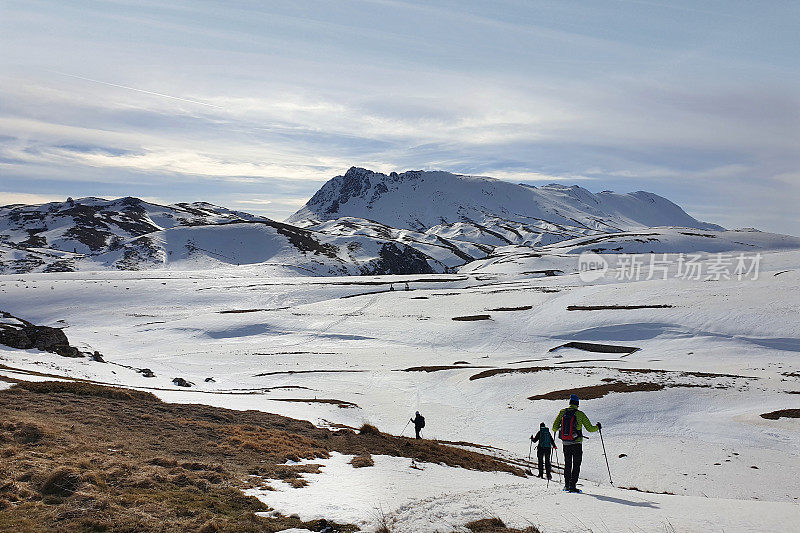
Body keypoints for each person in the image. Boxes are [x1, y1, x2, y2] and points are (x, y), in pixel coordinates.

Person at [552, 394, 601, 493]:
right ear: (577, 404)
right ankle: (572, 486)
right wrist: (598, 427)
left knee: (568, 464)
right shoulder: (580, 414)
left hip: (566, 443)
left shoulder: (562, 412)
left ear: (569, 402)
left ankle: (566, 486)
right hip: (577, 443)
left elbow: (554, 427)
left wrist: (562, 429)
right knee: (576, 464)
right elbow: (590, 429)